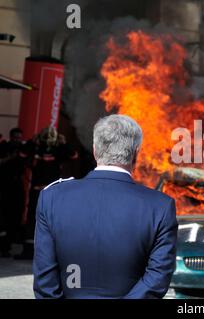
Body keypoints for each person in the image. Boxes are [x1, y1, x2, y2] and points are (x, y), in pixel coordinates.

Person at [33, 115, 178, 299]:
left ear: (95, 151)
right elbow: (157, 277)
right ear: (136, 153)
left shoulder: (52, 197)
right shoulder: (160, 206)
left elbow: (45, 279)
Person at [15, 127, 78, 260]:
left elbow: (74, 155)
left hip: (45, 191)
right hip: (48, 191)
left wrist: (34, 142)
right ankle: (33, 251)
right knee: (42, 220)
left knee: (39, 220)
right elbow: (22, 154)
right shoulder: (55, 148)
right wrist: (61, 143)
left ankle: (35, 252)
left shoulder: (51, 148)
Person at [0, 128, 27, 257]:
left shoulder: (23, 149)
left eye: (19, 138)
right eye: (15, 138)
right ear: (11, 137)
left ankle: (11, 241)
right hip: (5, 184)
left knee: (17, 212)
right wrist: (10, 157)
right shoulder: (4, 147)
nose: (17, 140)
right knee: (3, 214)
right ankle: (3, 246)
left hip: (18, 184)